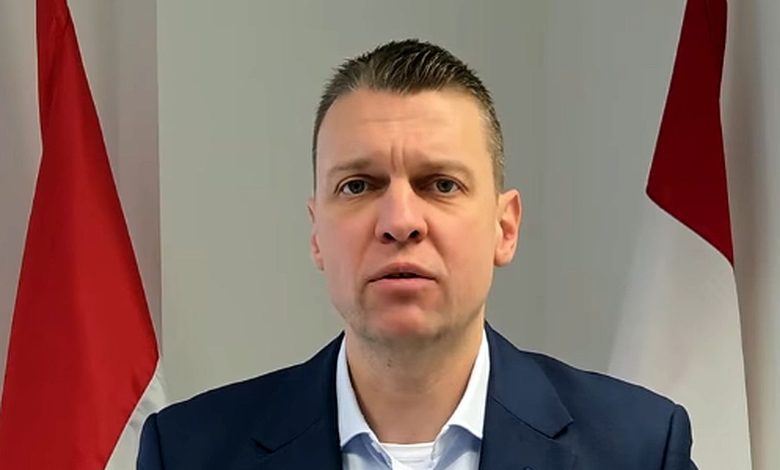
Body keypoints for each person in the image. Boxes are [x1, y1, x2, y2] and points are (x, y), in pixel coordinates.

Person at [138, 39, 696, 469]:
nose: (400, 221)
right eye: (358, 185)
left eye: (441, 184)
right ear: (317, 234)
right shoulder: (187, 452)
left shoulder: (640, 449)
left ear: (504, 228)